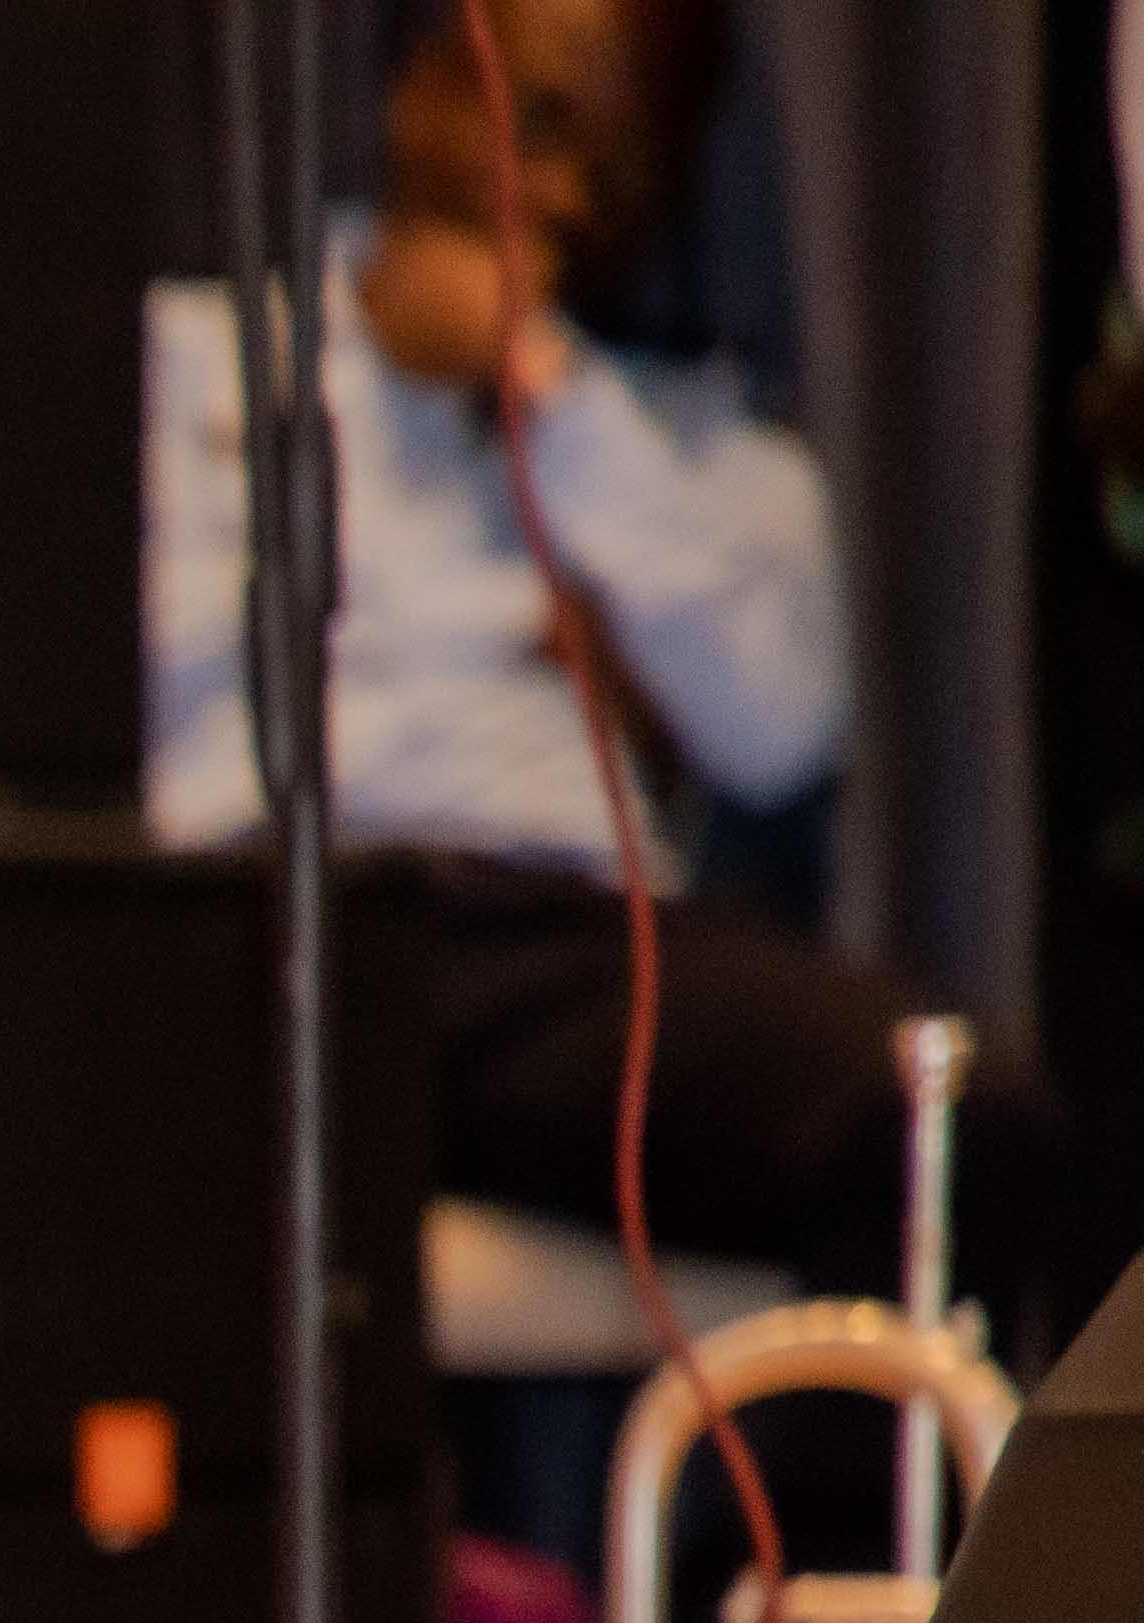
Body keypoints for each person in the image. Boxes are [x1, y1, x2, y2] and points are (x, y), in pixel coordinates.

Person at [148, 0, 1089, 1361]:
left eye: (619, 159)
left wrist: (553, 399)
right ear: (417, 88)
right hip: (243, 920)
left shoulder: (698, 448)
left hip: (549, 961)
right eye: (536, 120)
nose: (563, 192)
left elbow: (779, 732)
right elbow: (80, 681)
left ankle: (795, 1506)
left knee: (953, 1129)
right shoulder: (197, 358)